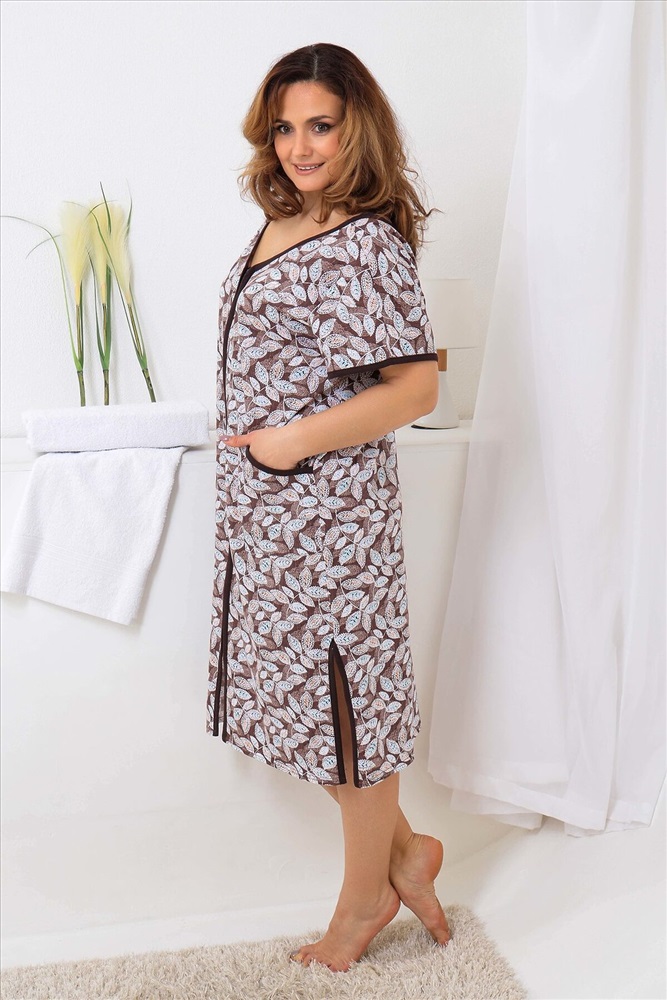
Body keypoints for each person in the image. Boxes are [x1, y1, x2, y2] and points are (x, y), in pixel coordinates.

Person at [207, 42, 451, 972]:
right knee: (310, 706)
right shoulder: (281, 223)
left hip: (331, 523)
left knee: (349, 713)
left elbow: (415, 388)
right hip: (265, 520)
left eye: (321, 126)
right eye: (284, 127)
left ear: (359, 130)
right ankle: (407, 855)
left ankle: (360, 908)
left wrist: (291, 441)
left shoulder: (363, 242)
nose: (299, 147)